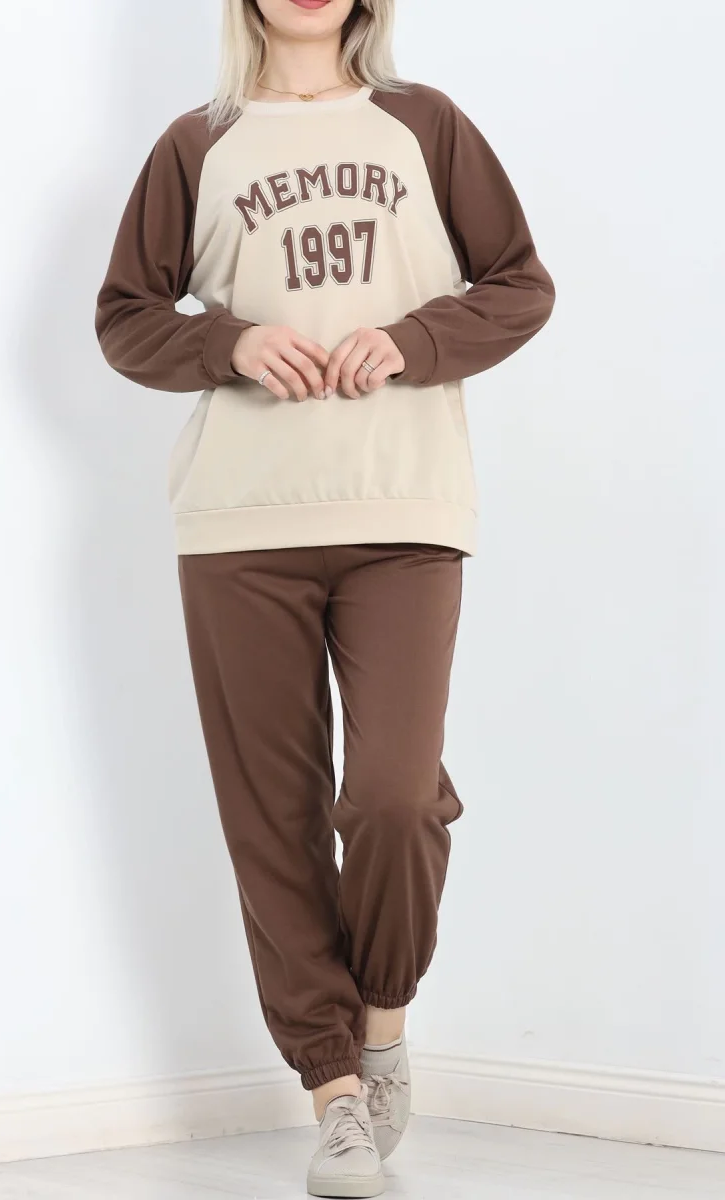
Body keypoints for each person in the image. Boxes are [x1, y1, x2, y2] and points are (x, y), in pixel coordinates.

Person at [95, 0, 554, 1194]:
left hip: (403, 510)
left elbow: (518, 284)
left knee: (393, 796)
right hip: (239, 521)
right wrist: (229, 345)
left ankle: (381, 1022)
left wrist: (412, 338)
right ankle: (334, 1094)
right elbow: (125, 318)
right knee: (273, 817)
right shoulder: (196, 142)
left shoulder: (424, 124)